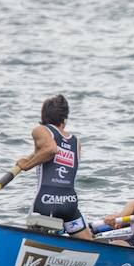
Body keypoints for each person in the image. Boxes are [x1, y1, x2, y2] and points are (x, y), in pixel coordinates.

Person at [16, 95, 92, 239]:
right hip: (69, 203)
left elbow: (51, 149)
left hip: (46, 201)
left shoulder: (41, 130)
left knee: (29, 242)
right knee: (88, 242)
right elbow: (53, 153)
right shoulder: (76, 142)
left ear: (43, 116)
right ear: (65, 119)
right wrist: (32, 156)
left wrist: (26, 165)